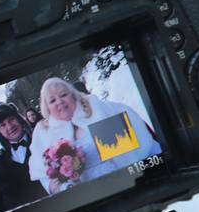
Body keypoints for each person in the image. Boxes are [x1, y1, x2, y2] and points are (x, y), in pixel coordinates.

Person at [27, 77, 161, 194]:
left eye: (63, 95)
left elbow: (128, 156)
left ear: (72, 95)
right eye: (52, 100)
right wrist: (54, 186)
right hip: (85, 199)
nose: (59, 102)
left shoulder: (95, 109)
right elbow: (42, 172)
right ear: (47, 107)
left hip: (125, 184)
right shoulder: (43, 132)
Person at [0, 103, 46, 212]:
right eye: (2, 125)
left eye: (11, 119)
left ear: (19, 119)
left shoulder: (43, 140)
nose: (9, 126)